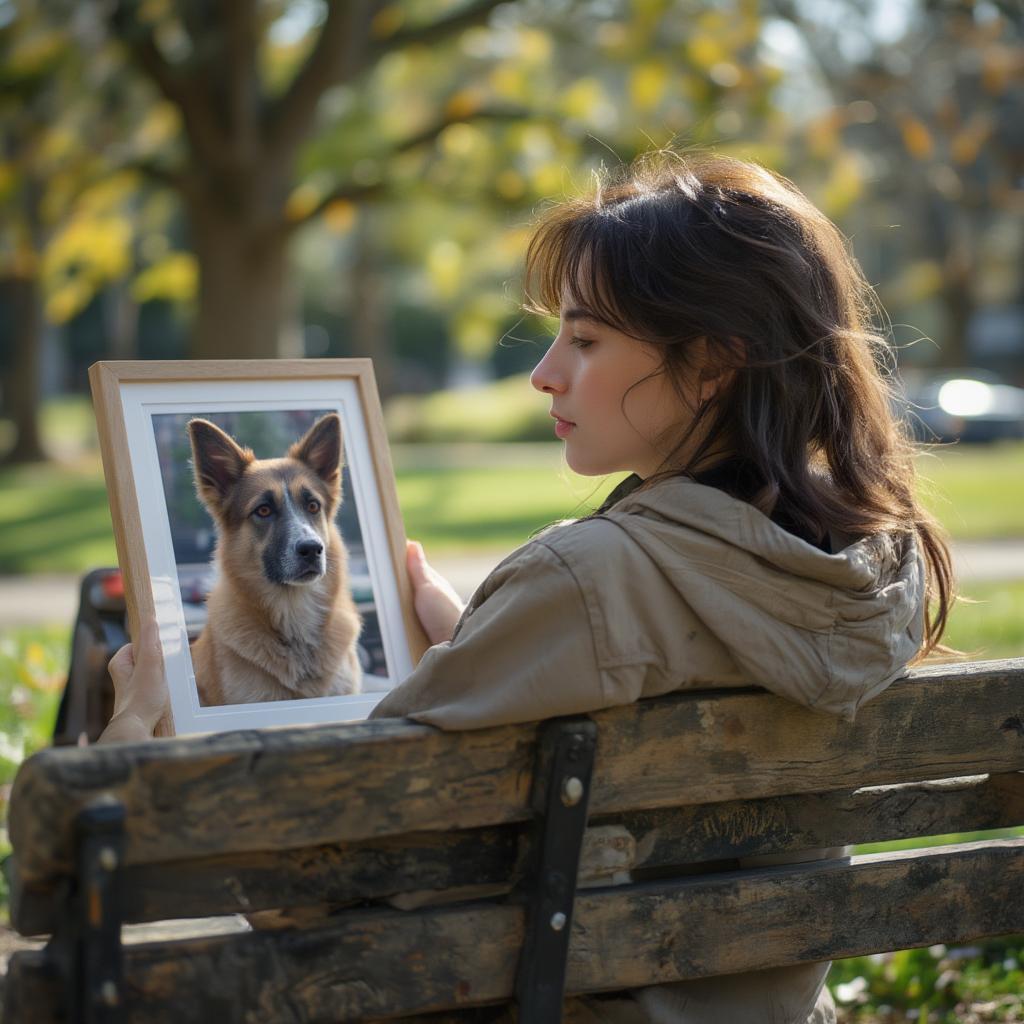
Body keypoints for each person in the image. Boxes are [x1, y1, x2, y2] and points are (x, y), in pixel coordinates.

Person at [100, 151, 954, 1023]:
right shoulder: (883, 565)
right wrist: (482, 639)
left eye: (584, 340)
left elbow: (323, 884)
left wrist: (139, 716)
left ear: (710, 365)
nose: (545, 373)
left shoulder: (580, 583)